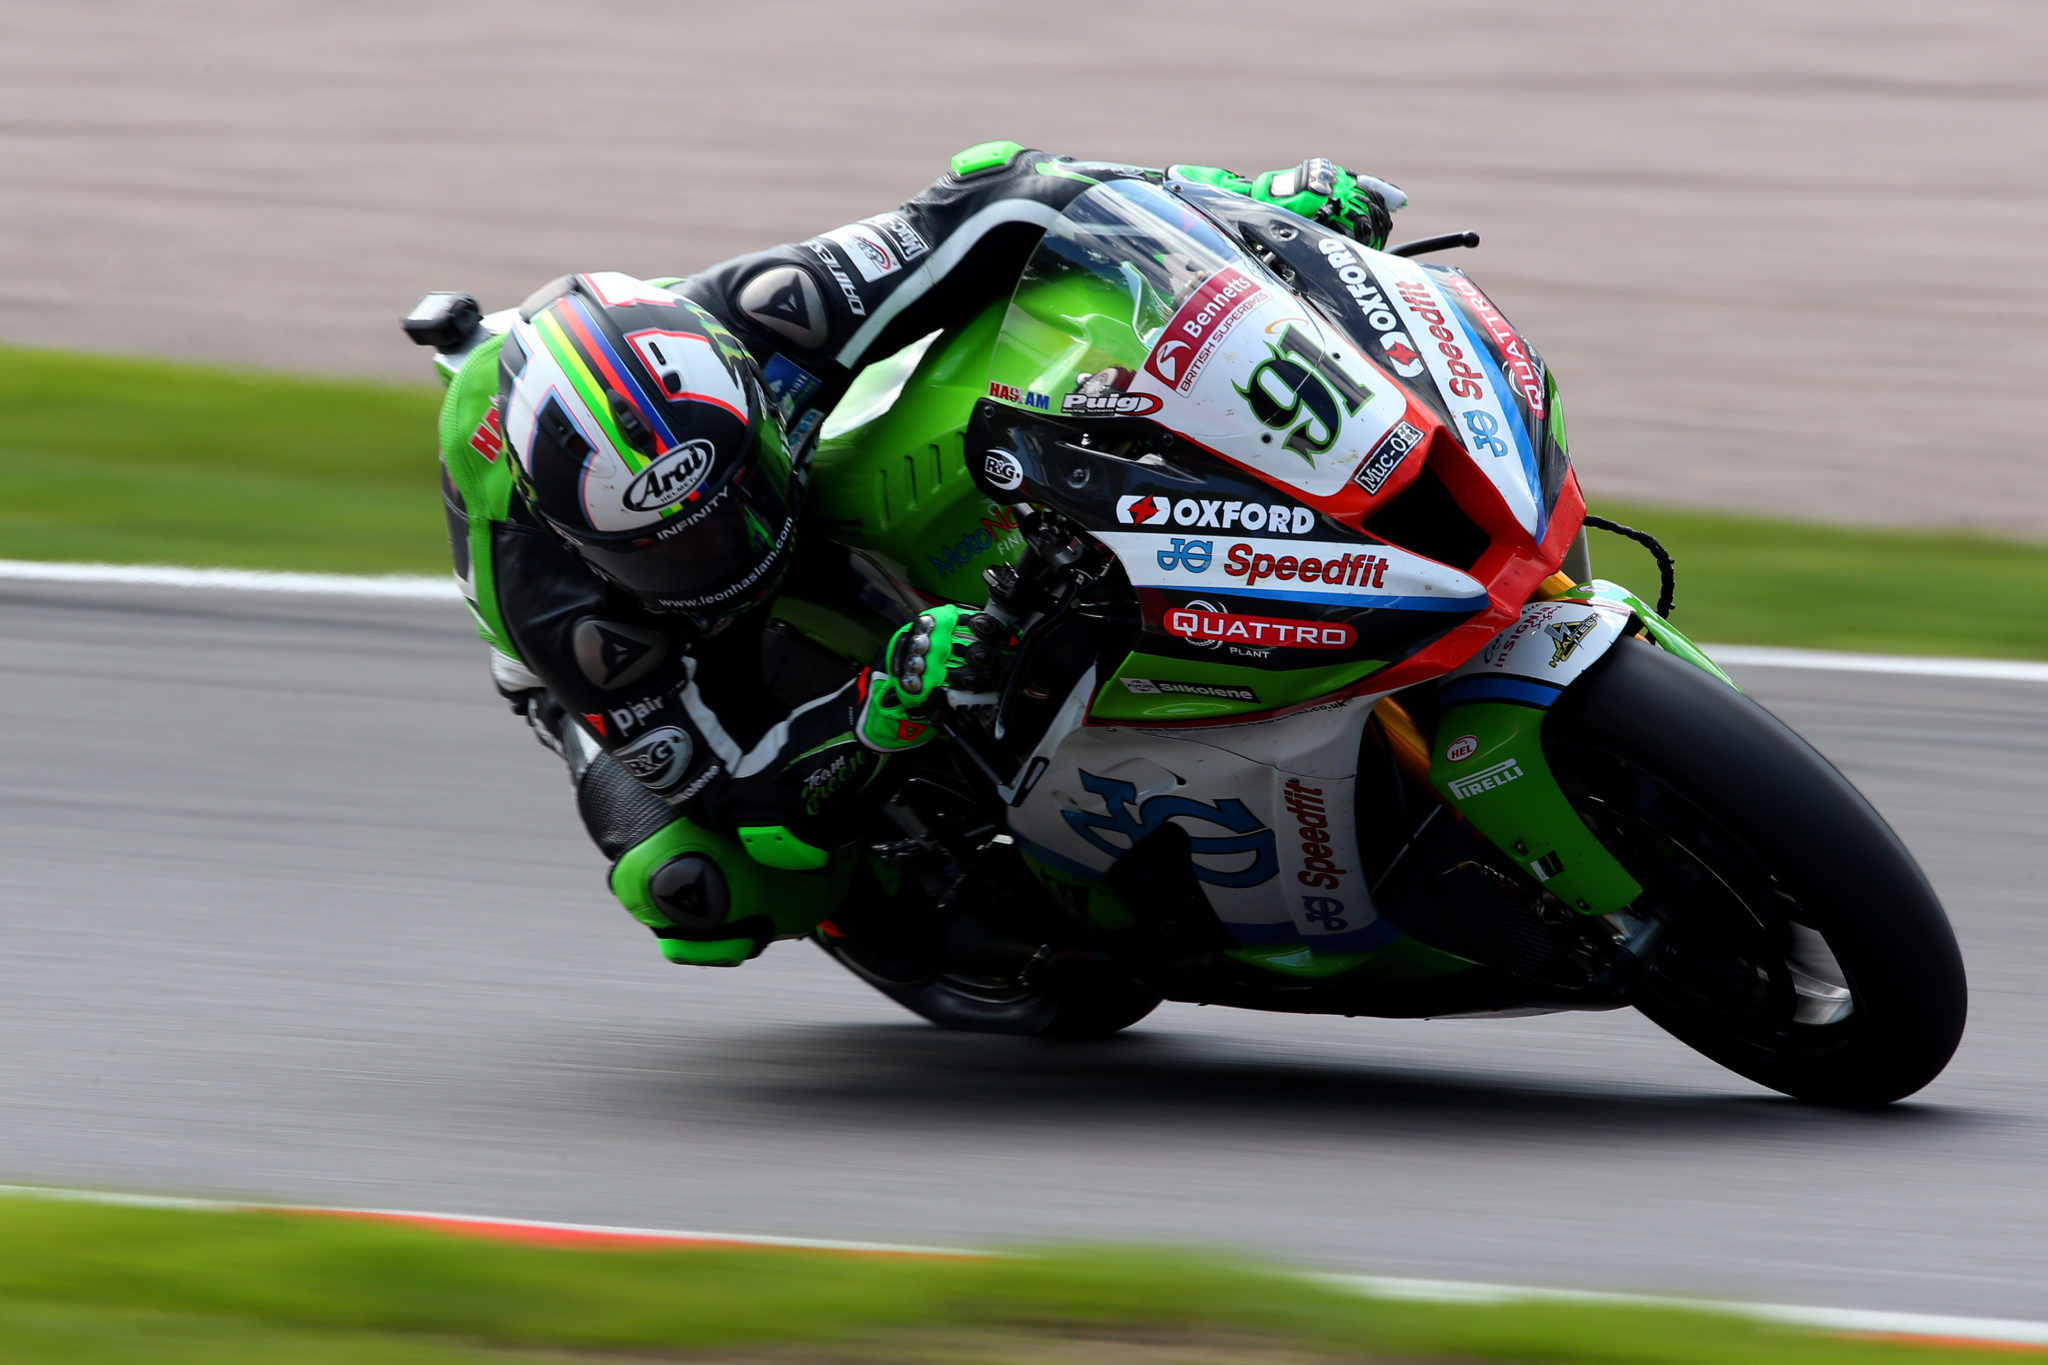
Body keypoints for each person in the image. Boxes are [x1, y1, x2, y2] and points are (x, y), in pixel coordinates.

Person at [418, 144, 1405, 970]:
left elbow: (1016, 193)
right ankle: (903, 887)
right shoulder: (560, 609)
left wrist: (1249, 212)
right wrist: (872, 714)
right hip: (667, 660)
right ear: (585, 538)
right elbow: (733, 784)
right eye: (672, 547)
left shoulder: (764, 317)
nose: (729, 552)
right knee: (702, 885)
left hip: (748, 443)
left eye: (730, 509)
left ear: (751, 411)